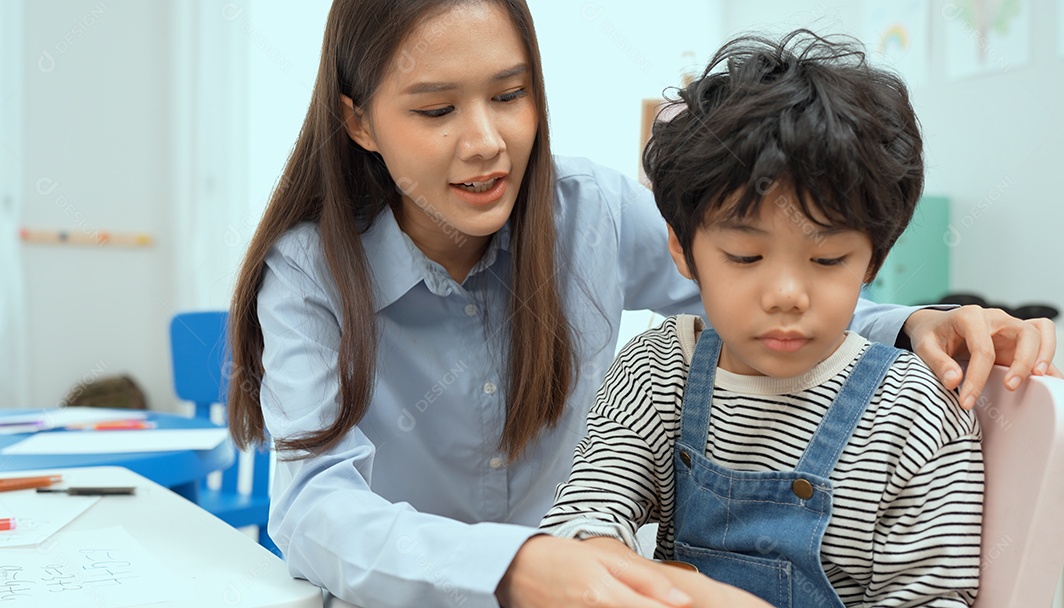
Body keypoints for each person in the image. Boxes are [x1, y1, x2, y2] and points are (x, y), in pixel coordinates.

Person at [224, 1, 1056, 607]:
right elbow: (312, 507)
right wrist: (518, 566)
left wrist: (909, 322)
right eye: (436, 109)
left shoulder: (588, 208)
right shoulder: (308, 274)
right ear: (358, 120)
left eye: (510, 95)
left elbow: (753, 292)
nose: (484, 141)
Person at [541, 30, 982, 607]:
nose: (786, 295)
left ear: (875, 254)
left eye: (827, 259)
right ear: (682, 249)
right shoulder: (658, 371)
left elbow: (934, 599)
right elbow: (581, 522)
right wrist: (607, 565)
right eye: (745, 257)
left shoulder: (914, 414)